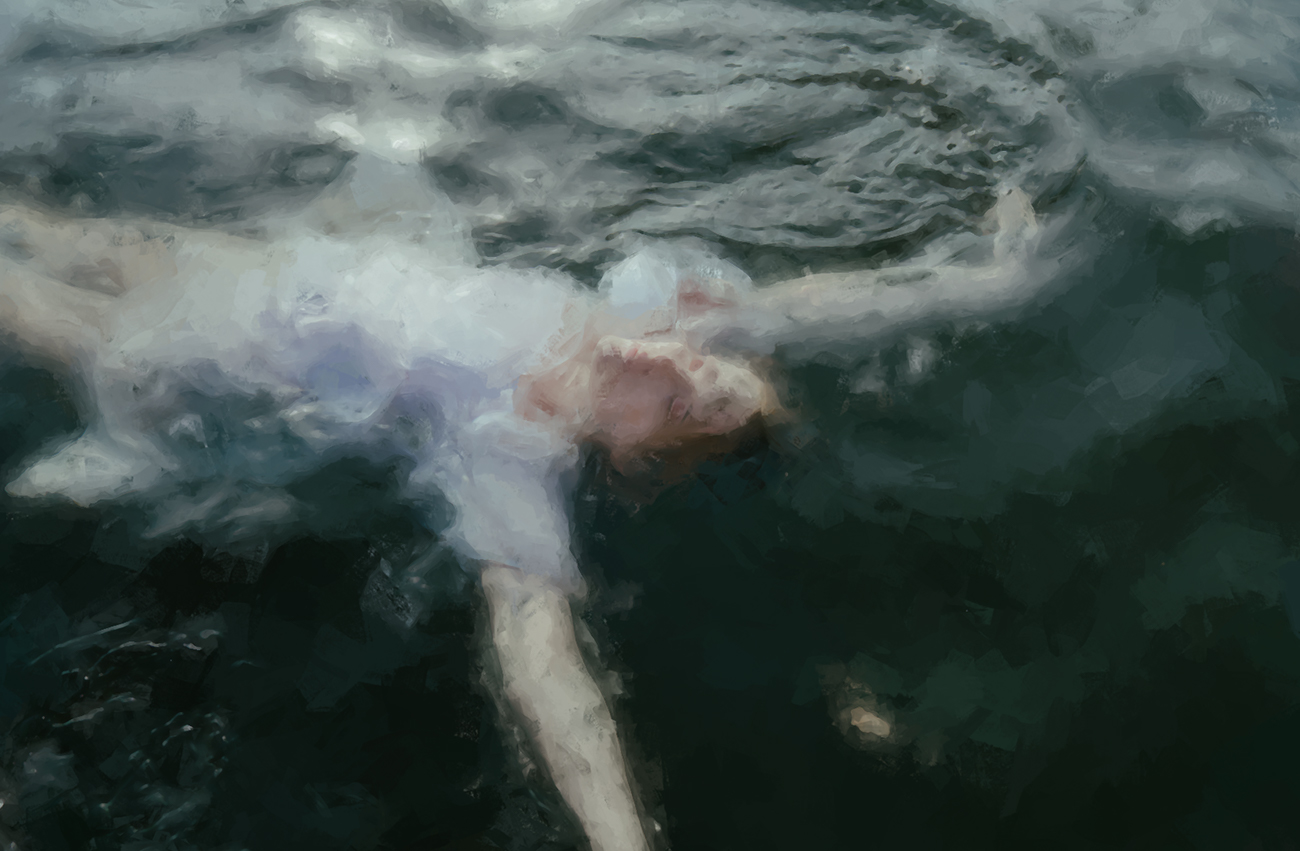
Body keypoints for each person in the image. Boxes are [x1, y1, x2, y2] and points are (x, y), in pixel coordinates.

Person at [0, 160, 1052, 850]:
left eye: (681, 400)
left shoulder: (508, 454)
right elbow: (822, 306)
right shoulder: (620, 316)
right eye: (702, 363)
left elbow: (543, 660)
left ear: (633, 452)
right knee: (65, 234)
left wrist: (619, 840)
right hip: (286, 270)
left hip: (216, 359)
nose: (673, 362)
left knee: (31, 300)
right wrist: (986, 280)